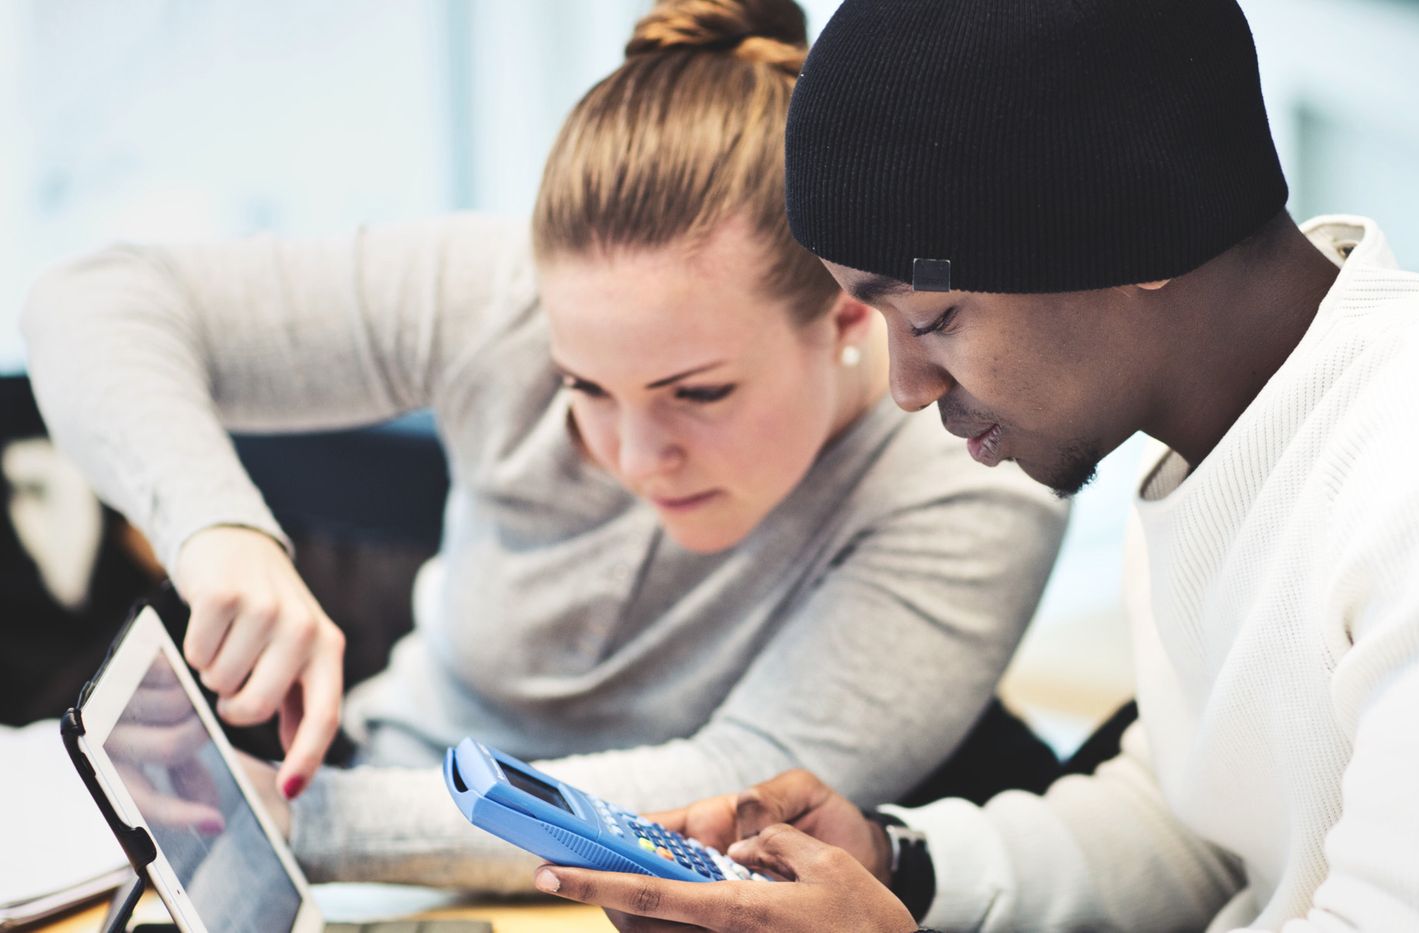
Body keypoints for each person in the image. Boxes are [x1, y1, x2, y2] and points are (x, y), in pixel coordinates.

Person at [529, 0, 1419, 930]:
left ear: (1135, 228)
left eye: (935, 319)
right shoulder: (1221, 435)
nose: (909, 388)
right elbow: (1194, 826)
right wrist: (902, 864)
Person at [19, 0, 1066, 892]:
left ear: (846, 318)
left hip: (551, 867)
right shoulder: (497, 292)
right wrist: (220, 534)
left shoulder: (975, 480)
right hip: (371, 797)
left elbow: (740, 784)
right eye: (581, 389)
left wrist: (307, 824)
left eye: (695, 392)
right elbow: (87, 304)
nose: (631, 454)